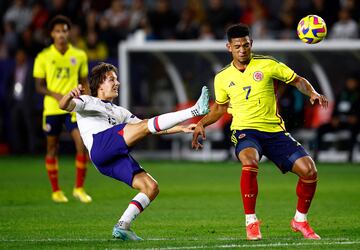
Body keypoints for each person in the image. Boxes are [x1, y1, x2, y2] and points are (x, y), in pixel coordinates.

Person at [192, 24, 328, 240]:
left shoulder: (267, 64)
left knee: (309, 171)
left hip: (274, 131)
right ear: (229, 47)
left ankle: (300, 220)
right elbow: (219, 108)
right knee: (250, 161)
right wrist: (202, 123)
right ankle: (251, 222)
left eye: (246, 45)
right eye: (237, 46)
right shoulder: (222, 77)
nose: (242, 50)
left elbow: (297, 80)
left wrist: (312, 92)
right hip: (245, 130)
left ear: (251, 44)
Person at [59, 62, 210, 240]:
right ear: (99, 84)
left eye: (117, 79)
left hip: (111, 159)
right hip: (100, 145)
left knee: (151, 187)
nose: (117, 83)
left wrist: (181, 129)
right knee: (144, 126)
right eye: (111, 79)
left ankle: (123, 226)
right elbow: (63, 105)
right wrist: (69, 95)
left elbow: (147, 126)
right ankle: (194, 110)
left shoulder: (120, 111)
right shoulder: (87, 101)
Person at [33, 15, 92, 203]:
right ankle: (56, 191)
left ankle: (79, 189)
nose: (61, 35)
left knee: (81, 145)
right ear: (52, 34)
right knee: (52, 147)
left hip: (73, 108)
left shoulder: (79, 55)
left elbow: (84, 81)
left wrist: (88, 100)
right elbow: (39, 85)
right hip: (52, 108)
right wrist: (56, 95)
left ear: (69, 32)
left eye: (64, 31)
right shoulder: (43, 57)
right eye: (57, 31)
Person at [313, 75, 360, 162]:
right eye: (349, 82)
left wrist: (356, 117)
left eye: (353, 82)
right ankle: (315, 155)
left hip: (353, 123)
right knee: (321, 128)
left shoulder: (358, 95)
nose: (350, 84)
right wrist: (334, 118)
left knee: (354, 130)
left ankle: (350, 156)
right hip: (339, 121)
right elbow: (335, 110)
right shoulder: (341, 94)